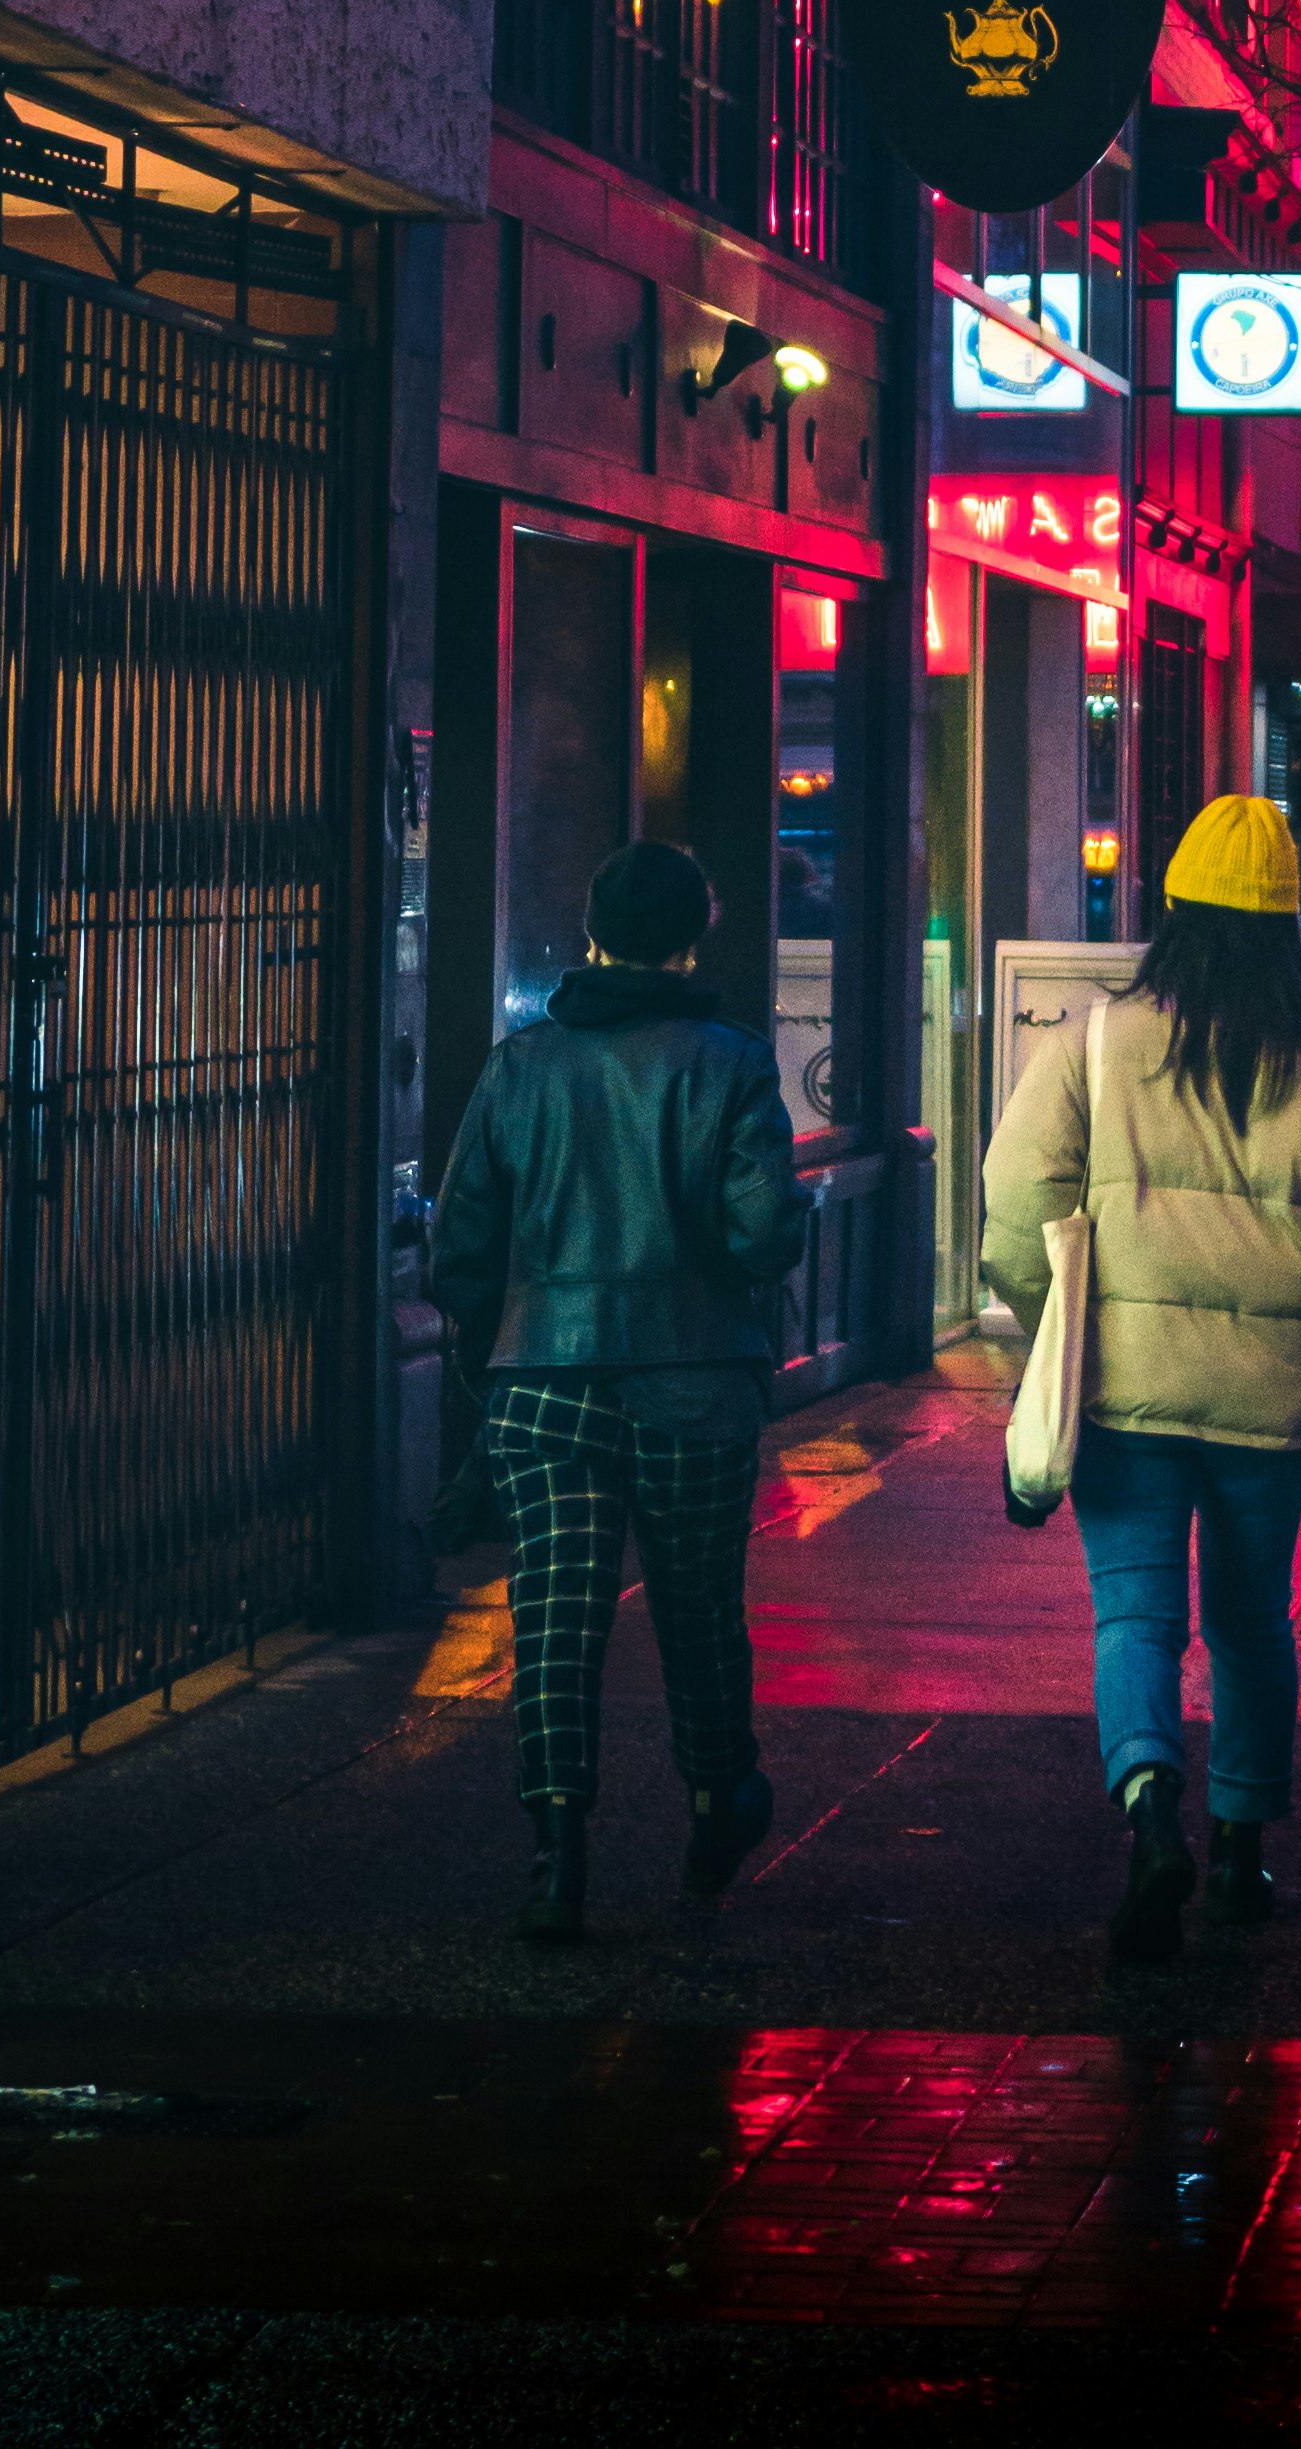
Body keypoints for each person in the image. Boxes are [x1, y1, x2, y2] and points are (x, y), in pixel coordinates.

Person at [980, 793, 1301, 1962]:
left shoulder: (1093, 1049)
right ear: (1290, 933)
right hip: (1272, 1404)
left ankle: (1147, 1809)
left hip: (1125, 1388)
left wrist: (1053, 1317)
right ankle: (1244, 1849)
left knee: (1137, 1616)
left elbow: (1014, 1214)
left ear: (1171, 915)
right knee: (1253, 1621)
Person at [427, 834, 811, 1947]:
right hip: (693, 1379)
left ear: (591, 933)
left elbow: (459, 1245)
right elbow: (761, 1232)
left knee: (553, 1613)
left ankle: (557, 1855)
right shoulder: (732, 1061)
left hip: (542, 1379)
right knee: (697, 1607)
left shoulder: (519, 1065)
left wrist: (490, 1340)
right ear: (696, 935)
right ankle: (716, 1800)